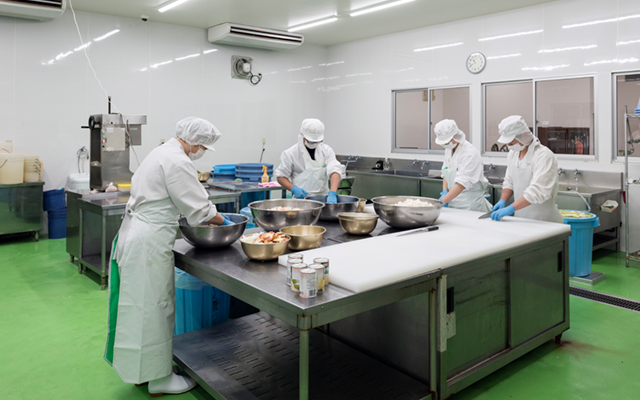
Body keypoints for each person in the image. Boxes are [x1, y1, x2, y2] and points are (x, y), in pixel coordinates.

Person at [104, 117, 232, 397]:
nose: (201, 152)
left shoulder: (160, 152)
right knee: (155, 307)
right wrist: (227, 223)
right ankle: (159, 379)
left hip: (137, 235)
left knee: (136, 306)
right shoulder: (177, 161)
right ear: (195, 141)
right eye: (202, 147)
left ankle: (141, 372)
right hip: (149, 241)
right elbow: (199, 208)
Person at [490, 115, 563, 223]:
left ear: (525, 135)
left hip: (544, 221)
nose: (509, 146)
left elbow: (537, 191)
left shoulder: (544, 156)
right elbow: (509, 182)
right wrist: (502, 201)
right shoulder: (513, 154)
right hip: (521, 220)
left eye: (511, 142)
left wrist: (510, 209)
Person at [275, 118, 344, 203]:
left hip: (323, 200)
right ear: (302, 135)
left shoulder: (326, 150)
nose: (313, 144)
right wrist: (294, 189)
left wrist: (332, 192)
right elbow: (281, 176)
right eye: (310, 141)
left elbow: (335, 171)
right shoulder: (291, 153)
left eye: (317, 141)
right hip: (301, 200)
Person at [435, 119, 491, 212]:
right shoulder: (449, 149)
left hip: (469, 205)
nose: (445, 145)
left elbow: (461, 184)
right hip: (451, 200)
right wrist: (445, 191)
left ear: (456, 135)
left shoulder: (469, 153)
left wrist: (441, 202)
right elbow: (446, 172)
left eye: (447, 142)